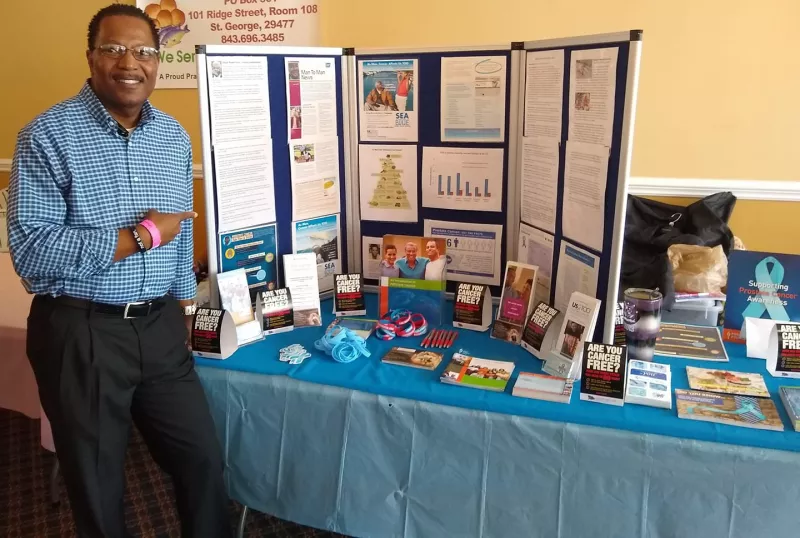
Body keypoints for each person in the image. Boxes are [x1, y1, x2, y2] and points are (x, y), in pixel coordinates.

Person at [6, 5, 230, 537]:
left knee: (201, 459)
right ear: (91, 58)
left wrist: (183, 305)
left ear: (158, 60)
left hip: (159, 327)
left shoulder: (172, 136)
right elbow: (32, 252)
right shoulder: (46, 135)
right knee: (98, 485)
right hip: (81, 331)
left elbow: (181, 230)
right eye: (114, 49)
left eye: (144, 51)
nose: (130, 63)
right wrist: (141, 236)